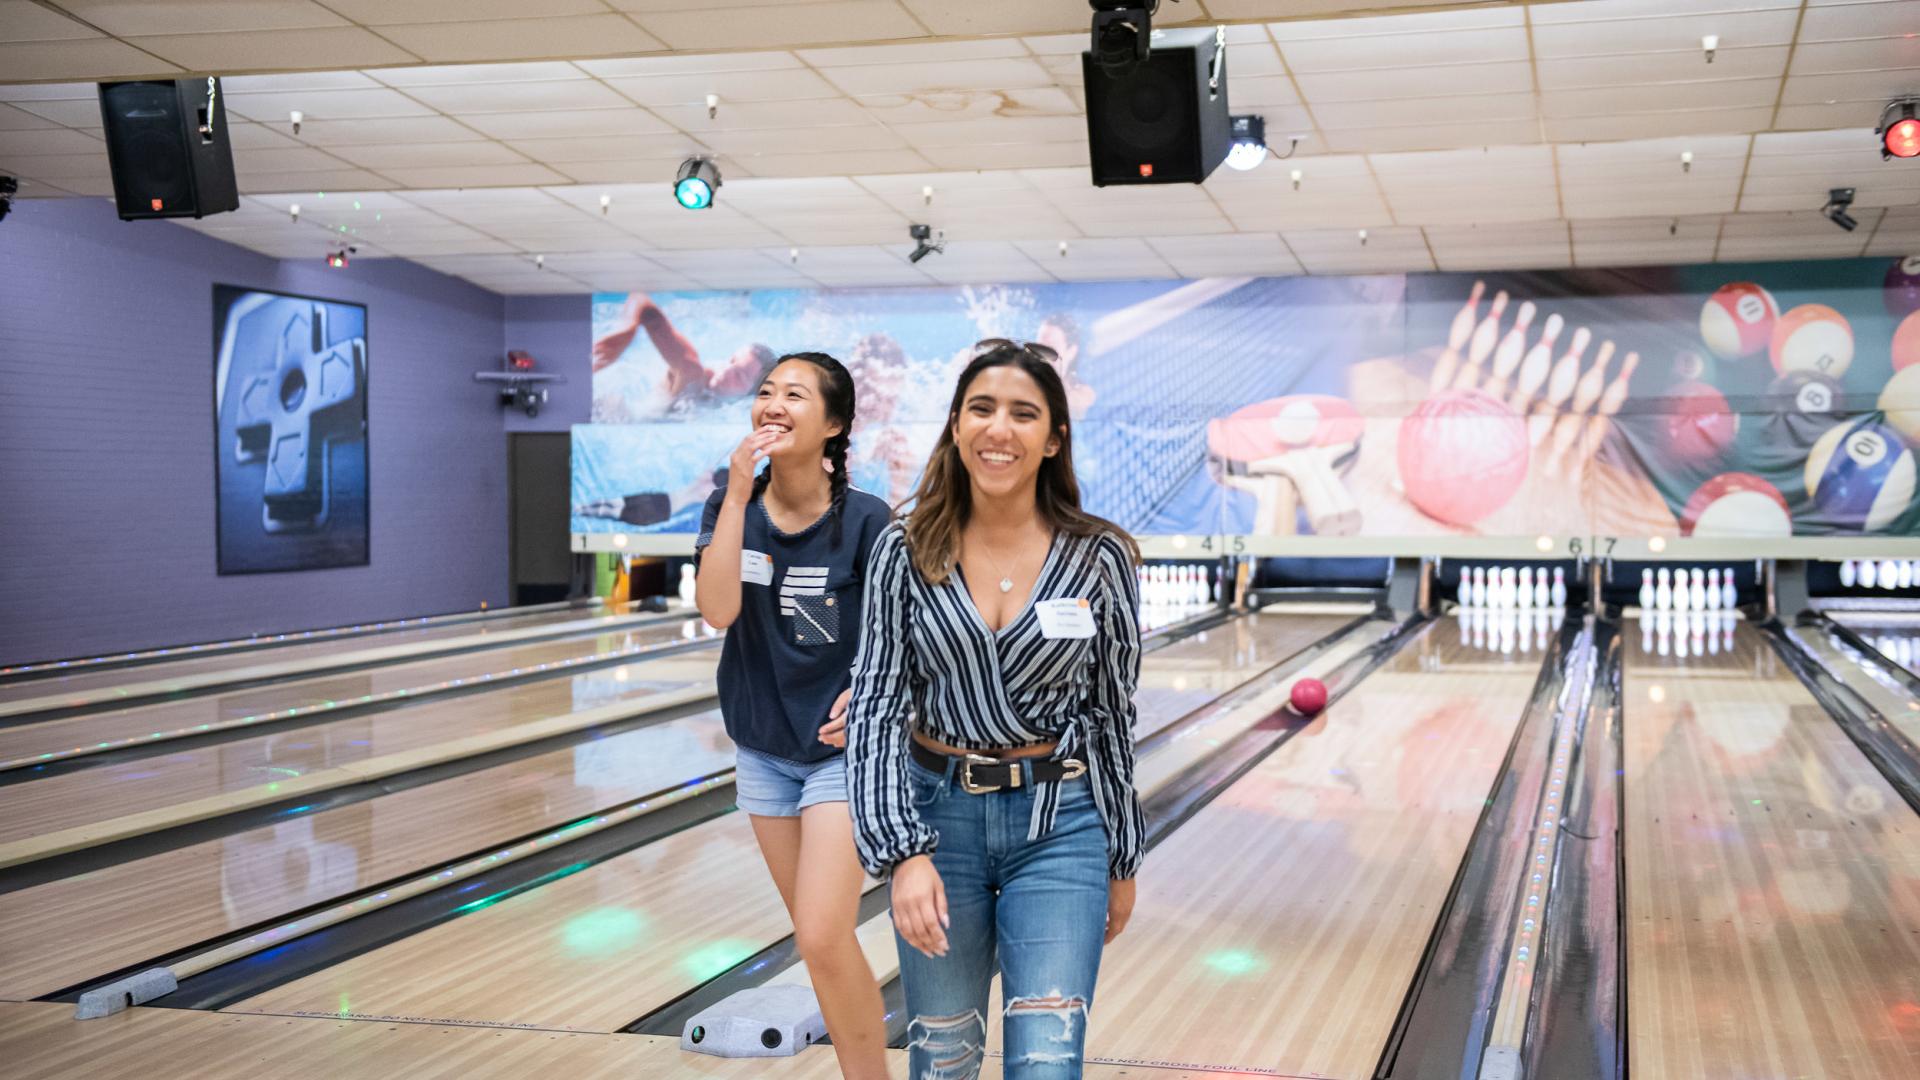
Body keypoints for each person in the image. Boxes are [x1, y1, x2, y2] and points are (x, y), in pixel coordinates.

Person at [845, 342, 1145, 1078]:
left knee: (1047, 1062)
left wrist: (1123, 855)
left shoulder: (1099, 557)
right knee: (943, 1058)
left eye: (1023, 413)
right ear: (955, 427)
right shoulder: (904, 550)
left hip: (1062, 823)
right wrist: (902, 853)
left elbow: (1111, 712)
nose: (998, 429)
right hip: (938, 821)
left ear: (1054, 438)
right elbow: (878, 707)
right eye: (981, 409)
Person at [693, 352, 892, 1080]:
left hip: (839, 754)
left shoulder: (868, 519)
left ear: (834, 424)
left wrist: (870, 700)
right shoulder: (729, 506)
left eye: (795, 395)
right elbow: (717, 609)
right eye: (766, 392)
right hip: (764, 748)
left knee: (820, 930)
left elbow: (896, 639)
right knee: (821, 943)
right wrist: (739, 495)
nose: (773, 404)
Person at [593, 293, 776, 415]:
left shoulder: (734, 409)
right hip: (614, 414)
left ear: (749, 395)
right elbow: (642, 302)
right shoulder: (693, 373)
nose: (727, 371)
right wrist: (627, 330)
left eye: (739, 376)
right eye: (732, 361)